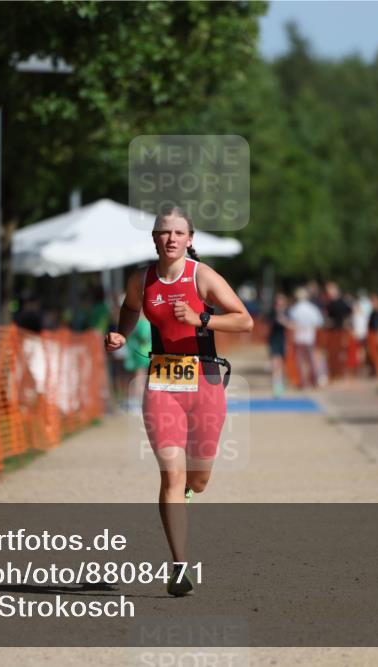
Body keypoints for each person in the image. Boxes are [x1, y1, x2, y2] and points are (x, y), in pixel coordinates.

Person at [105, 205, 253, 597]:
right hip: (162, 383)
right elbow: (130, 309)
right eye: (163, 232)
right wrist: (121, 334)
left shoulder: (201, 277)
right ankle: (179, 567)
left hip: (204, 381)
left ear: (190, 239)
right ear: (154, 238)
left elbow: (244, 319)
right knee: (171, 475)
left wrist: (201, 319)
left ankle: (190, 489)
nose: (171, 239)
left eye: (178, 233)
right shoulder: (142, 280)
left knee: (198, 480)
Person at [288, 287, 326, 388]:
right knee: (311, 359)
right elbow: (319, 322)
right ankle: (314, 380)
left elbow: (292, 323)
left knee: (300, 360)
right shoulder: (312, 308)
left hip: (299, 337)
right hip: (310, 336)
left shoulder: (295, 309)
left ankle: (303, 381)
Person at [266, 293, 292, 398]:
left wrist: (283, 320)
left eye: (281, 303)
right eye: (277, 303)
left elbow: (291, 325)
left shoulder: (287, 313)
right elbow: (267, 323)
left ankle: (280, 383)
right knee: (275, 363)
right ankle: (276, 386)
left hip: (283, 340)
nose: (279, 305)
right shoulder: (272, 313)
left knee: (281, 364)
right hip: (274, 340)